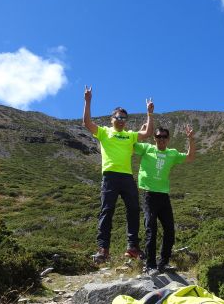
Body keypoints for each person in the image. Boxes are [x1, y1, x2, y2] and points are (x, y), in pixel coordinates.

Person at [83, 85, 154, 263]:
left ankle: (132, 248)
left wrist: (149, 114)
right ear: (111, 118)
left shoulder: (129, 135)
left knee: (133, 210)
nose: (121, 120)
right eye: (118, 117)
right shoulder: (104, 132)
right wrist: (88, 101)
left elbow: (148, 133)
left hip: (127, 177)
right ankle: (103, 249)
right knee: (107, 211)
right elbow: (87, 123)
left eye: (124, 118)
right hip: (110, 177)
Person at [134, 124, 195, 274]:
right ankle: (150, 265)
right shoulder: (146, 148)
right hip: (149, 194)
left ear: (168, 139)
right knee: (151, 229)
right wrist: (141, 133)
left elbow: (190, 157)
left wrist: (191, 139)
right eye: (158, 136)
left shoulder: (172, 153)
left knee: (169, 230)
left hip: (163, 196)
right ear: (154, 138)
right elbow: (130, 143)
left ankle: (164, 263)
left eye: (164, 137)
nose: (161, 139)